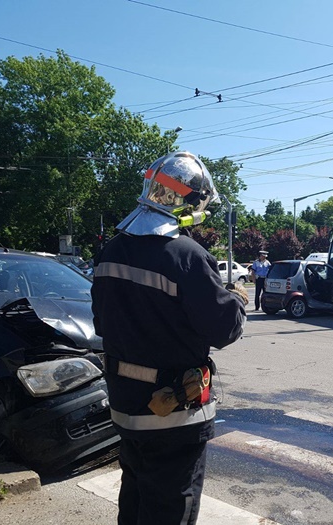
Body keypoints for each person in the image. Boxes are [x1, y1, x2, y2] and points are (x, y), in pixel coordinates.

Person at [91, 151, 247, 525]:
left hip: (126, 406)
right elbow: (223, 328)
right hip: (174, 415)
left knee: (134, 500)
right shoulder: (186, 255)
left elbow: (102, 323)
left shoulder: (110, 251)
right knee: (170, 509)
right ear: (188, 202)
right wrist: (238, 300)